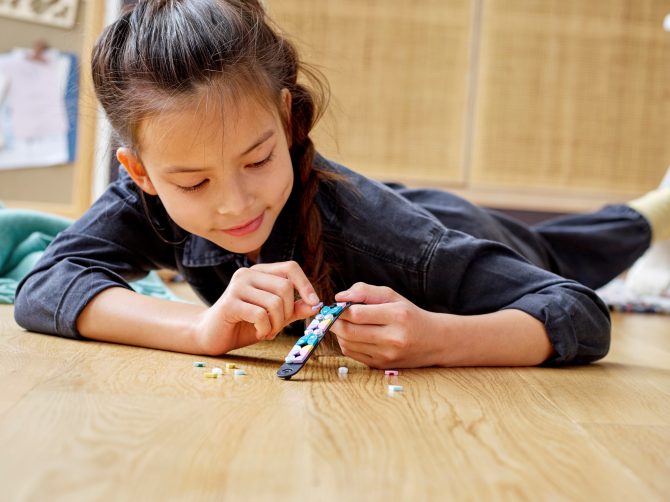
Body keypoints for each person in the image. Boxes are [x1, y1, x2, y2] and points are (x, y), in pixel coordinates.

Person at [13, 0, 670, 368]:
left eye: (257, 159)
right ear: (142, 174)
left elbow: (577, 310)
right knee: (559, 239)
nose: (235, 203)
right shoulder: (142, 193)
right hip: (413, 213)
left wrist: (440, 338)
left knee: (562, 252)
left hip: (444, 228)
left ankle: (656, 206)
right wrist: (198, 328)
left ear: (290, 118)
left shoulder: (384, 233)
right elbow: (45, 286)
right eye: (192, 181)